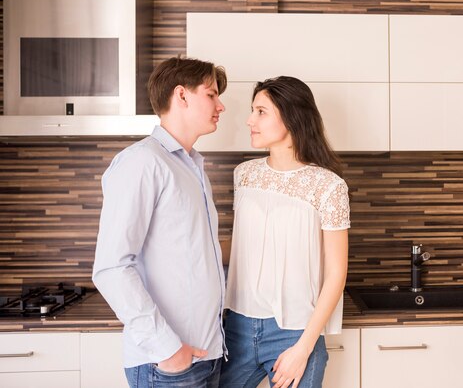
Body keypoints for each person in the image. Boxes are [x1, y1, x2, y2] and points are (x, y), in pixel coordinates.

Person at [93, 56, 228, 388]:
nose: (221, 106)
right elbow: (111, 268)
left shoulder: (192, 167)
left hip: (205, 356)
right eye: (211, 94)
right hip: (169, 364)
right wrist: (168, 350)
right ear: (181, 95)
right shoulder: (142, 162)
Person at [219, 76, 350, 388]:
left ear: (291, 116)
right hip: (236, 323)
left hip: (295, 331)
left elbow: (336, 273)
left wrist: (303, 348)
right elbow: (244, 246)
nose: (250, 120)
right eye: (253, 111)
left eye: (261, 112)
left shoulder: (328, 186)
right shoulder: (244, 175)